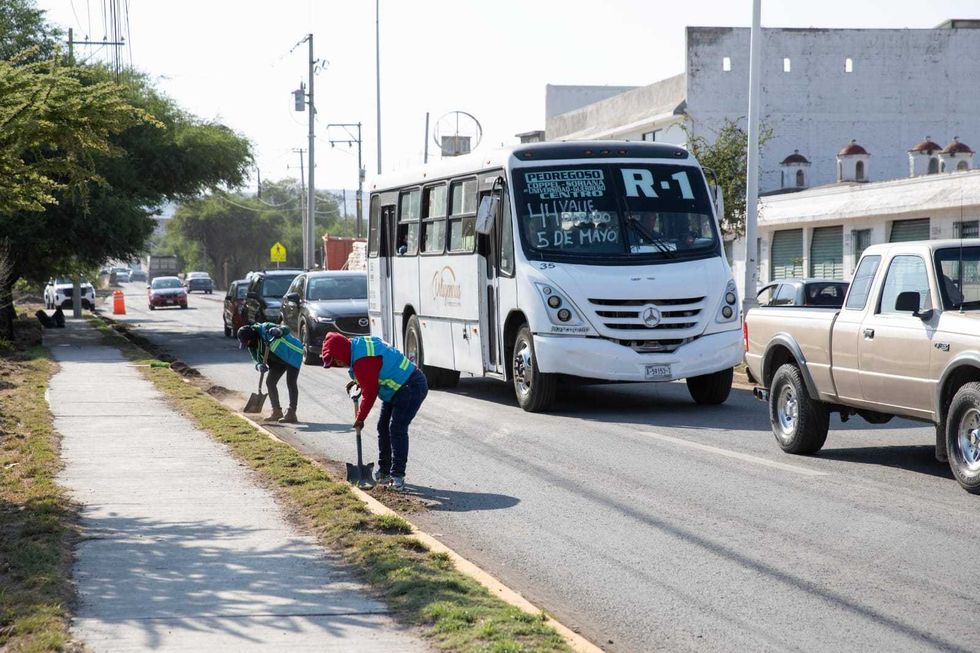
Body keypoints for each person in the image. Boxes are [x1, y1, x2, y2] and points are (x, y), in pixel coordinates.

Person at [320, 332, 428, 491]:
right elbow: (373, 371)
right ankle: (384, 472)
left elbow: (370, 393)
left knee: (397, 429)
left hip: (410, 387)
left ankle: (397, 477)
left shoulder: (362, 360)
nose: (337, 363)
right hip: (397, 389)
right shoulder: (356, 345)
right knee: (382, 426)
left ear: (341, 351)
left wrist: (360, 418)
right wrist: (358, 381)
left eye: (336, 359)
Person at [237, 323, 303, 423]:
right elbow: (255, 359)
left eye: (247, 341)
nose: (247, 344)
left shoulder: (265, 328)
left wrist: (279, 331)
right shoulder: (251, 345)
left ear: (252, 336)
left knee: (291, 382)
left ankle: (291, 413)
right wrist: (258, 366)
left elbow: (287, 329)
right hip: (277, 361)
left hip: (292, 353)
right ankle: (276, 411)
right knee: (270, 382)